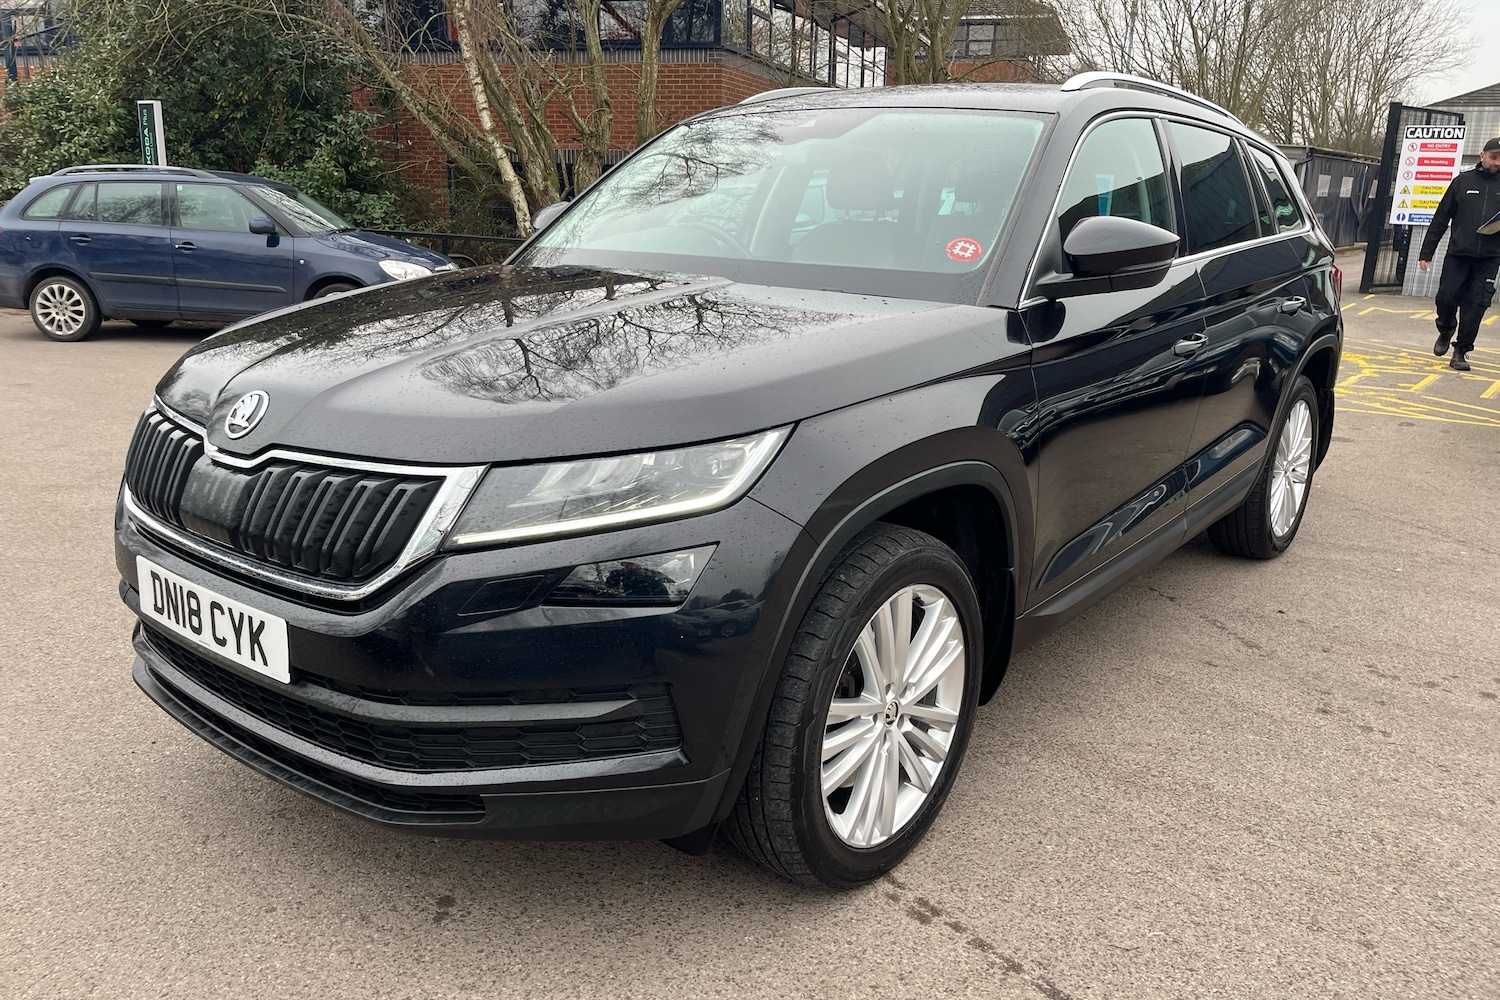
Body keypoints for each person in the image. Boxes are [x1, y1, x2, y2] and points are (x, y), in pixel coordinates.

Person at [1418, 137, 1500, 372]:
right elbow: (1441, 218)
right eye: (1493, 157)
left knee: (1476, 305)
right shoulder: (1462, 182)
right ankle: (1445, 328)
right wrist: (1427, 252)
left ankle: (1461, 351)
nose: (1497, 163)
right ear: (1482, 155)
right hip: (1458, 254)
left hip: (1490, 257)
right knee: (1445, 297)